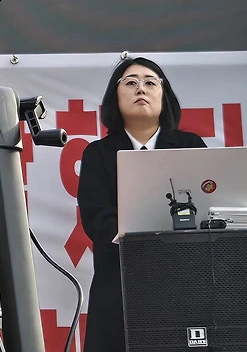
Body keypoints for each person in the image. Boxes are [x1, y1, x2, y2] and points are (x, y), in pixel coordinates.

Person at [76, 56, 207, 352]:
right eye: (131, 83)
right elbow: (97, 219)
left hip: (184, 285)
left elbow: (206, 208)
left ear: (164, 95)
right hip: (119, 286)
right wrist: (149, 238)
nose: (141, 89)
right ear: (115, 96)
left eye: (150, 82)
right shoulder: (97, 154)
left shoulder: (190, 146)